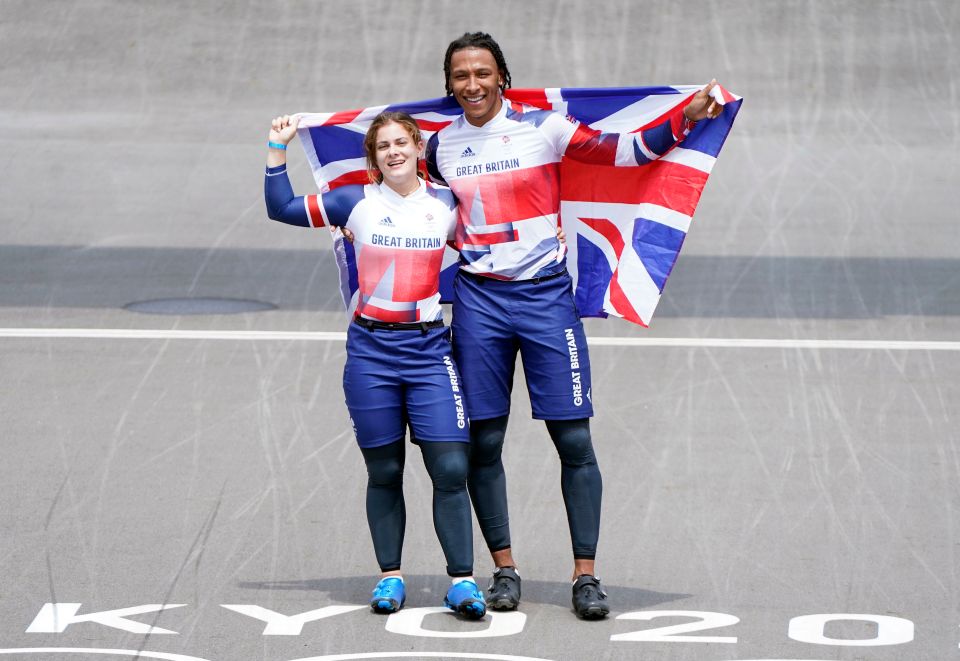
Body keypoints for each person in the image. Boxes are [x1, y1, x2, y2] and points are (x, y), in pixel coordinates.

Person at [425, 31, 724, 619]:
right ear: (449, 84)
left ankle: (585, 576)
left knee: (574, 441)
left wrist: (685, 117)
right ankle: (504, 571)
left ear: (502, 77)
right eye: (460, 76)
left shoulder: (545, 128)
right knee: (483, 443)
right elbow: (405, 194)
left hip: (545, 302)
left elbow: (628, 151)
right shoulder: (440, 146)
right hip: (480, 303)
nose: (472, 85)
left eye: (482, 73)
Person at [263, 111, 486, 619]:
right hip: (371, 353)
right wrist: (278, 146)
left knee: (451, 467)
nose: (393, 152)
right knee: (384, 469)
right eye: (382, 146)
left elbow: (492, 244)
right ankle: (390, 577)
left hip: (430, 352)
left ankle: (463, 583)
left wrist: (554, 239)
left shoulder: (448, 205)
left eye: (401, 143)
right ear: (373, 157)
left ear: (417, 148)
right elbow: (281, 207)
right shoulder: (354, 203)